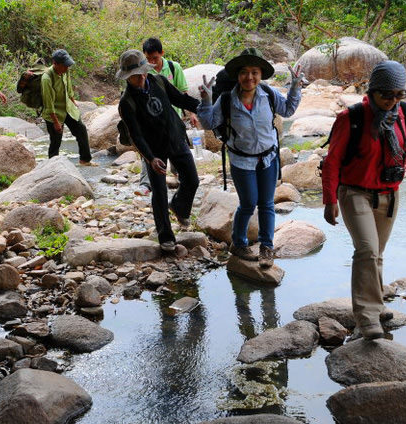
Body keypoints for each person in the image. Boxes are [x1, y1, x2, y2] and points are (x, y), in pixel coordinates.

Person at [321, 60, 406, 340]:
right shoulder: (352, 117)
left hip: (389, 194)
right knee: (367, 251)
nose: (392, 101)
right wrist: (329, 199)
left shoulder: (404, 113)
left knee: (376, 254)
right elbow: (333, 161)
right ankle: (367, 318)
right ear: (373, 91)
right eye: (387, 95)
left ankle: (377, 305)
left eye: (399, 94)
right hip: (355, 192)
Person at [197, 48, 303, 268]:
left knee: (266, 204)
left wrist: (295, 87)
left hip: (268, 159)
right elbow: (208, 123)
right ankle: (238, 243)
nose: (250, 77)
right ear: (237, 75)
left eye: (255, 72)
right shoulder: (226, 100)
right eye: (244, 72)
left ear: (261, 74)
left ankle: (266, 247)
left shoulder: (269, 94)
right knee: (248, 204)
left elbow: (289, 109)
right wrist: (206, 101)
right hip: (241, 161)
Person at [117, 49, 200, 252]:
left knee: (192, 179)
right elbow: (136, 136)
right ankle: (165, 236)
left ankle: (180, 207)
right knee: (160, 192)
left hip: (176, 137)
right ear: (128, 77)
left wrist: (205, 106)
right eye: (136, 76)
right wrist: (151, 158)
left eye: (144, 72)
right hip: (153, 149)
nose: (142, 77)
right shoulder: (126, 103)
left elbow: (180, 100)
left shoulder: (159, 81)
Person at [135, 37, 197, 196]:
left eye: (155, 58)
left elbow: (183, 93)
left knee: (179, 150)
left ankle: (179, 177)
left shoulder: (173, 68)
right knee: (149, 154)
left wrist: (192, 113)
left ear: (162, 53)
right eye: (148, 59)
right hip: (152, 123)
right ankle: (145, 184)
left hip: (173, 120)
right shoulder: (143, 71)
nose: (152, 62)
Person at [41, 49, 94, 164]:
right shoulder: (47, 78)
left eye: (67, 65)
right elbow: (48, 102)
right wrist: (55, 122)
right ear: (55, 64)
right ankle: (52, 166)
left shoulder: (65, 71)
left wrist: (73, 102)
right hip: (54, 114)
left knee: (81, 130)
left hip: (68, 108)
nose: (67, 68)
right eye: (64, 65)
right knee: (56, 141)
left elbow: (68, 88)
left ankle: (85, 160)